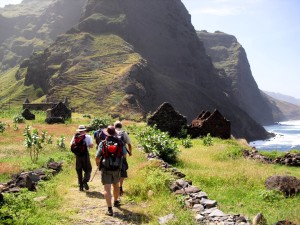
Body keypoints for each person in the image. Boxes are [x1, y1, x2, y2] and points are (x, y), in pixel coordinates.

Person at [95, 125, 125, 216]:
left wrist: (98, 164)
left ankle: (109, 209)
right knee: (116, 186)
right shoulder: (120, 142)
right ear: (115, 133)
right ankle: (116, 201)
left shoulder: (103, 143)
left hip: (106, 168)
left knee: (107, 189)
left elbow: (97, 157)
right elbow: (124, 155)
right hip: (116, 168)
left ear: (106, 133)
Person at [70, 125, 93, 191]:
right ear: (85, 130)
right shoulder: (88, 136)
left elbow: (71, 144)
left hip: (78, 156)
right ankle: (85, 180)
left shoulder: (75, 136)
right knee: (88, 169)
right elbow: (91, 146)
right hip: (85, 155)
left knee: (79, 170)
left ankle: (80, 186)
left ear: (79, 130)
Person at [114, 120, 132, 196]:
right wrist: (130, 152)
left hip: (113, 155)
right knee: (122, 171)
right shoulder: (124, 133)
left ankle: (115, 186)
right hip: (122, 155)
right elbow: (129, 144)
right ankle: (120, 187)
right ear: (121, 126)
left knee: (114, 170)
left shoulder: (111, 132)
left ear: (114, 126)